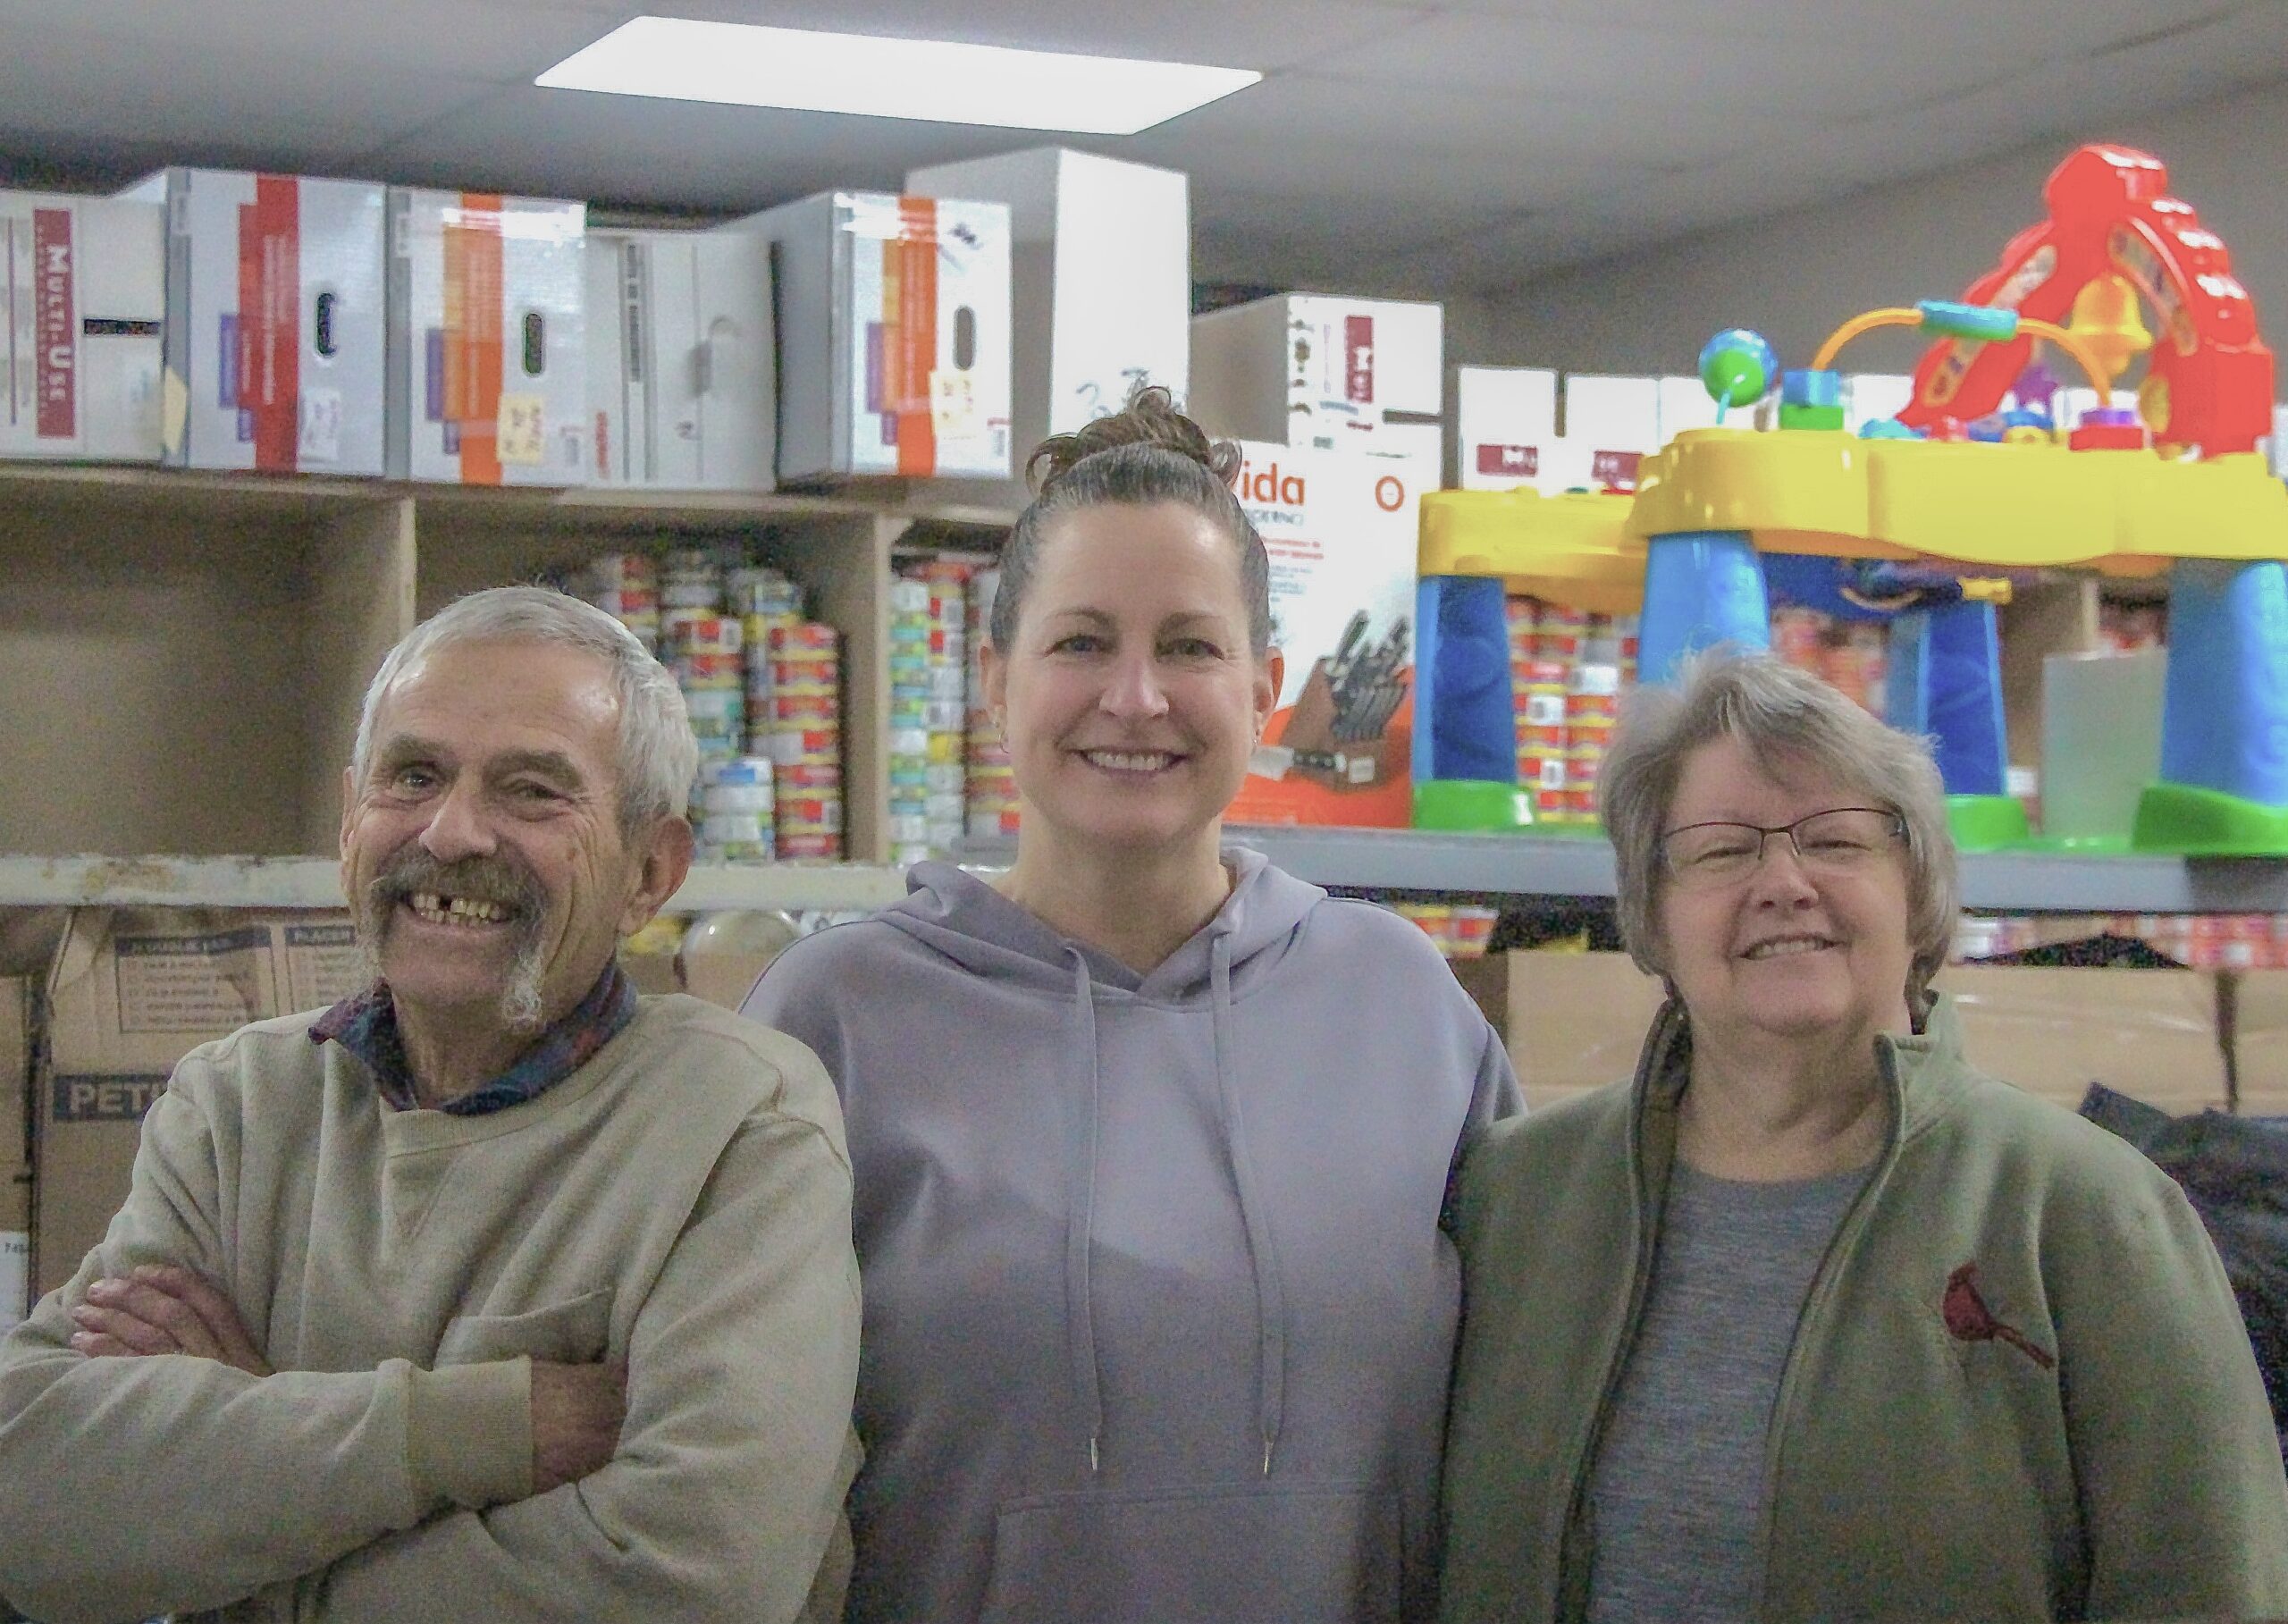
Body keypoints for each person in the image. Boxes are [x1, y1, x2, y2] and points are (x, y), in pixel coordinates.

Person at [744, 387, 1520, 1623]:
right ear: (995, 681)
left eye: (1192, 647)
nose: (1138, 696)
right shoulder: (835, 1020)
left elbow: (1514, 1425)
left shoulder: (1402, 1006)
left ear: (1264, 687)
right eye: (1083, 642)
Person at [0, 586, 862, 1624]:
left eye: (532, 790)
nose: (452, 833)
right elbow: (30, 1497)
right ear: (349, 820)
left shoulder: (742, 1122)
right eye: (413, 775)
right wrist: (481, 1428)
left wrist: (246, 1532)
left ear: (649, 871)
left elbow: (693, 1578)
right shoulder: (237, 1101)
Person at [1438, 652, 2288, 1624]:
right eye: (1720, 849)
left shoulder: (2092, 1215)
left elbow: (2210, 1587)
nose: (1783, 881)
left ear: (1918, 893)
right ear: (1651, 917)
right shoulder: (1515, 1197)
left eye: (1836, 841)